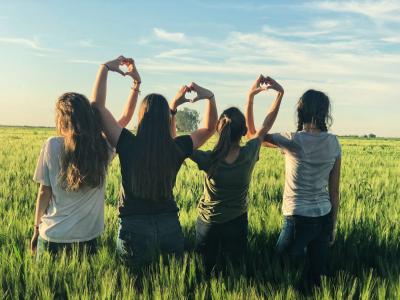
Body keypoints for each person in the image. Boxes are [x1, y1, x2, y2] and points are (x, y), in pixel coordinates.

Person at [91, 56, 218, 269]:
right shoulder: (176, 147)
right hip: (169, 226)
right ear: (166, 119)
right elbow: (209, 128)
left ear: (141, 117)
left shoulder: (127, 143)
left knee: (135, 286)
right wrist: (210, 97)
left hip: (133, 227)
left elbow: (96, 107)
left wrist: (104, 68)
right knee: (170, 285)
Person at [30, 58, 139, 257]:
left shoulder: (52, 145)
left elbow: (44, 192)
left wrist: (36, 227)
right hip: (88, 238)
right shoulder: (103, 147)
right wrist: (135, 84)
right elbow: (124, 118)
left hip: (53, 236)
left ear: (62, 120)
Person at [247, 88, 342, 286]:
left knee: (279, 270)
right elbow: (334, 191)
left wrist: (251, 96)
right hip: (324, 217)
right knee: (315, 279)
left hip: (297, 219)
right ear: (325, 112)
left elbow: (252, 135)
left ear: (301, 111)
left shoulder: (292, 139)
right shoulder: (334, 143)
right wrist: (332, 225)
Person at [191, 75, 284, 273]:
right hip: (236, 223)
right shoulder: (249, 153)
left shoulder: (209, 159)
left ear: (218, 130)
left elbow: (177, 146)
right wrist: (278, 94)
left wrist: (173, 108)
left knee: (204, 274)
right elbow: (264, 126)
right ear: (243, 132)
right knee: (234, 274)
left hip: (209, 224)